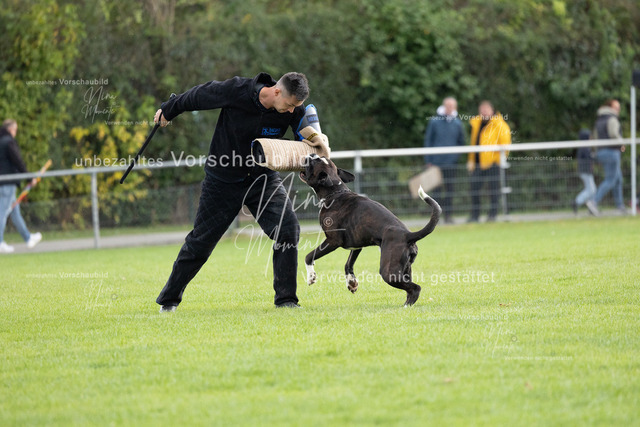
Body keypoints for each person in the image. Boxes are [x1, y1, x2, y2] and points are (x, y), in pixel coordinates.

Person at [154, 72, 309, 311]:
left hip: (262, 179)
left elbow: (307, 141)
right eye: (289, 105)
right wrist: (169, 110)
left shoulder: (295, 110)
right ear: (277, 91)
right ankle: (169, 301)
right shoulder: (237, 91)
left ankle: (286, 300)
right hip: (222, 180)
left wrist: (312, 151)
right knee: (201, 242)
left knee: (288, 230)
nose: (292, 111)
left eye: (295, 107)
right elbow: (198, 96)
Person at [0, 119, 42, 253]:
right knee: (2, 213)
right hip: (7, 183)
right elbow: (18, 161)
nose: (15, 133)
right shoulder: (9, 142)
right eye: (15, 130)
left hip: (4, 183)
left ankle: (28, 238)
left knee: (15, 212)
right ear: (10, 129)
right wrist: (30, 178)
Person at [466, 101, 511, 222]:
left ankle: (492, 215)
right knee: (474, 189)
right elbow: (474, 143)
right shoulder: (476, 123)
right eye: (482, 109)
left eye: (486, 109)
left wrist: (497, 160)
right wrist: (471, 160)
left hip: (493, 163)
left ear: (492, 110)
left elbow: (505, 144)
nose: (484, 112)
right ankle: (475, 216)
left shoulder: (500, 124)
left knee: (493, 190)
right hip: (477, 164)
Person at [423, 97, 465, 223]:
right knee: (436, 191)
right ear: (444, 106)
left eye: (452, 106)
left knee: (450, 190)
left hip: (451, 163)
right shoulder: (434, 122)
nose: (450, 108)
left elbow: (461, 142)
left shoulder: (457, 123)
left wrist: (455, 157)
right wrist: (429, 160)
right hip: (436, 162)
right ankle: (435, 217)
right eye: (448, 106)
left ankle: (448, 216)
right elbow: (428, 141)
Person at [592, 99, 626, 214]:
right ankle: (593, 202)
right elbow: (614, 134)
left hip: (601, 152)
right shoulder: (612, 119)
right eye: (616, 107)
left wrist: (597, 152)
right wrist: (622, 144)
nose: (618, 109)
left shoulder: (599, 120)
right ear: (610, 107)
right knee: (610, 180)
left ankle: (620, 206)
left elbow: (595, 138)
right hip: (612, 152)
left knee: (618, 179)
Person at [573, 129, 598, 216]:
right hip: (586, 172)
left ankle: (591, 207)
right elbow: (589, 158)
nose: (591, 138)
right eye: (589, 137)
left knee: (591, 190)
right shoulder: (584, 148)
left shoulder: (585, 148)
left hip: (585, 171)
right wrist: (594, 156)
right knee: (591, 190)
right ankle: (577, 201)